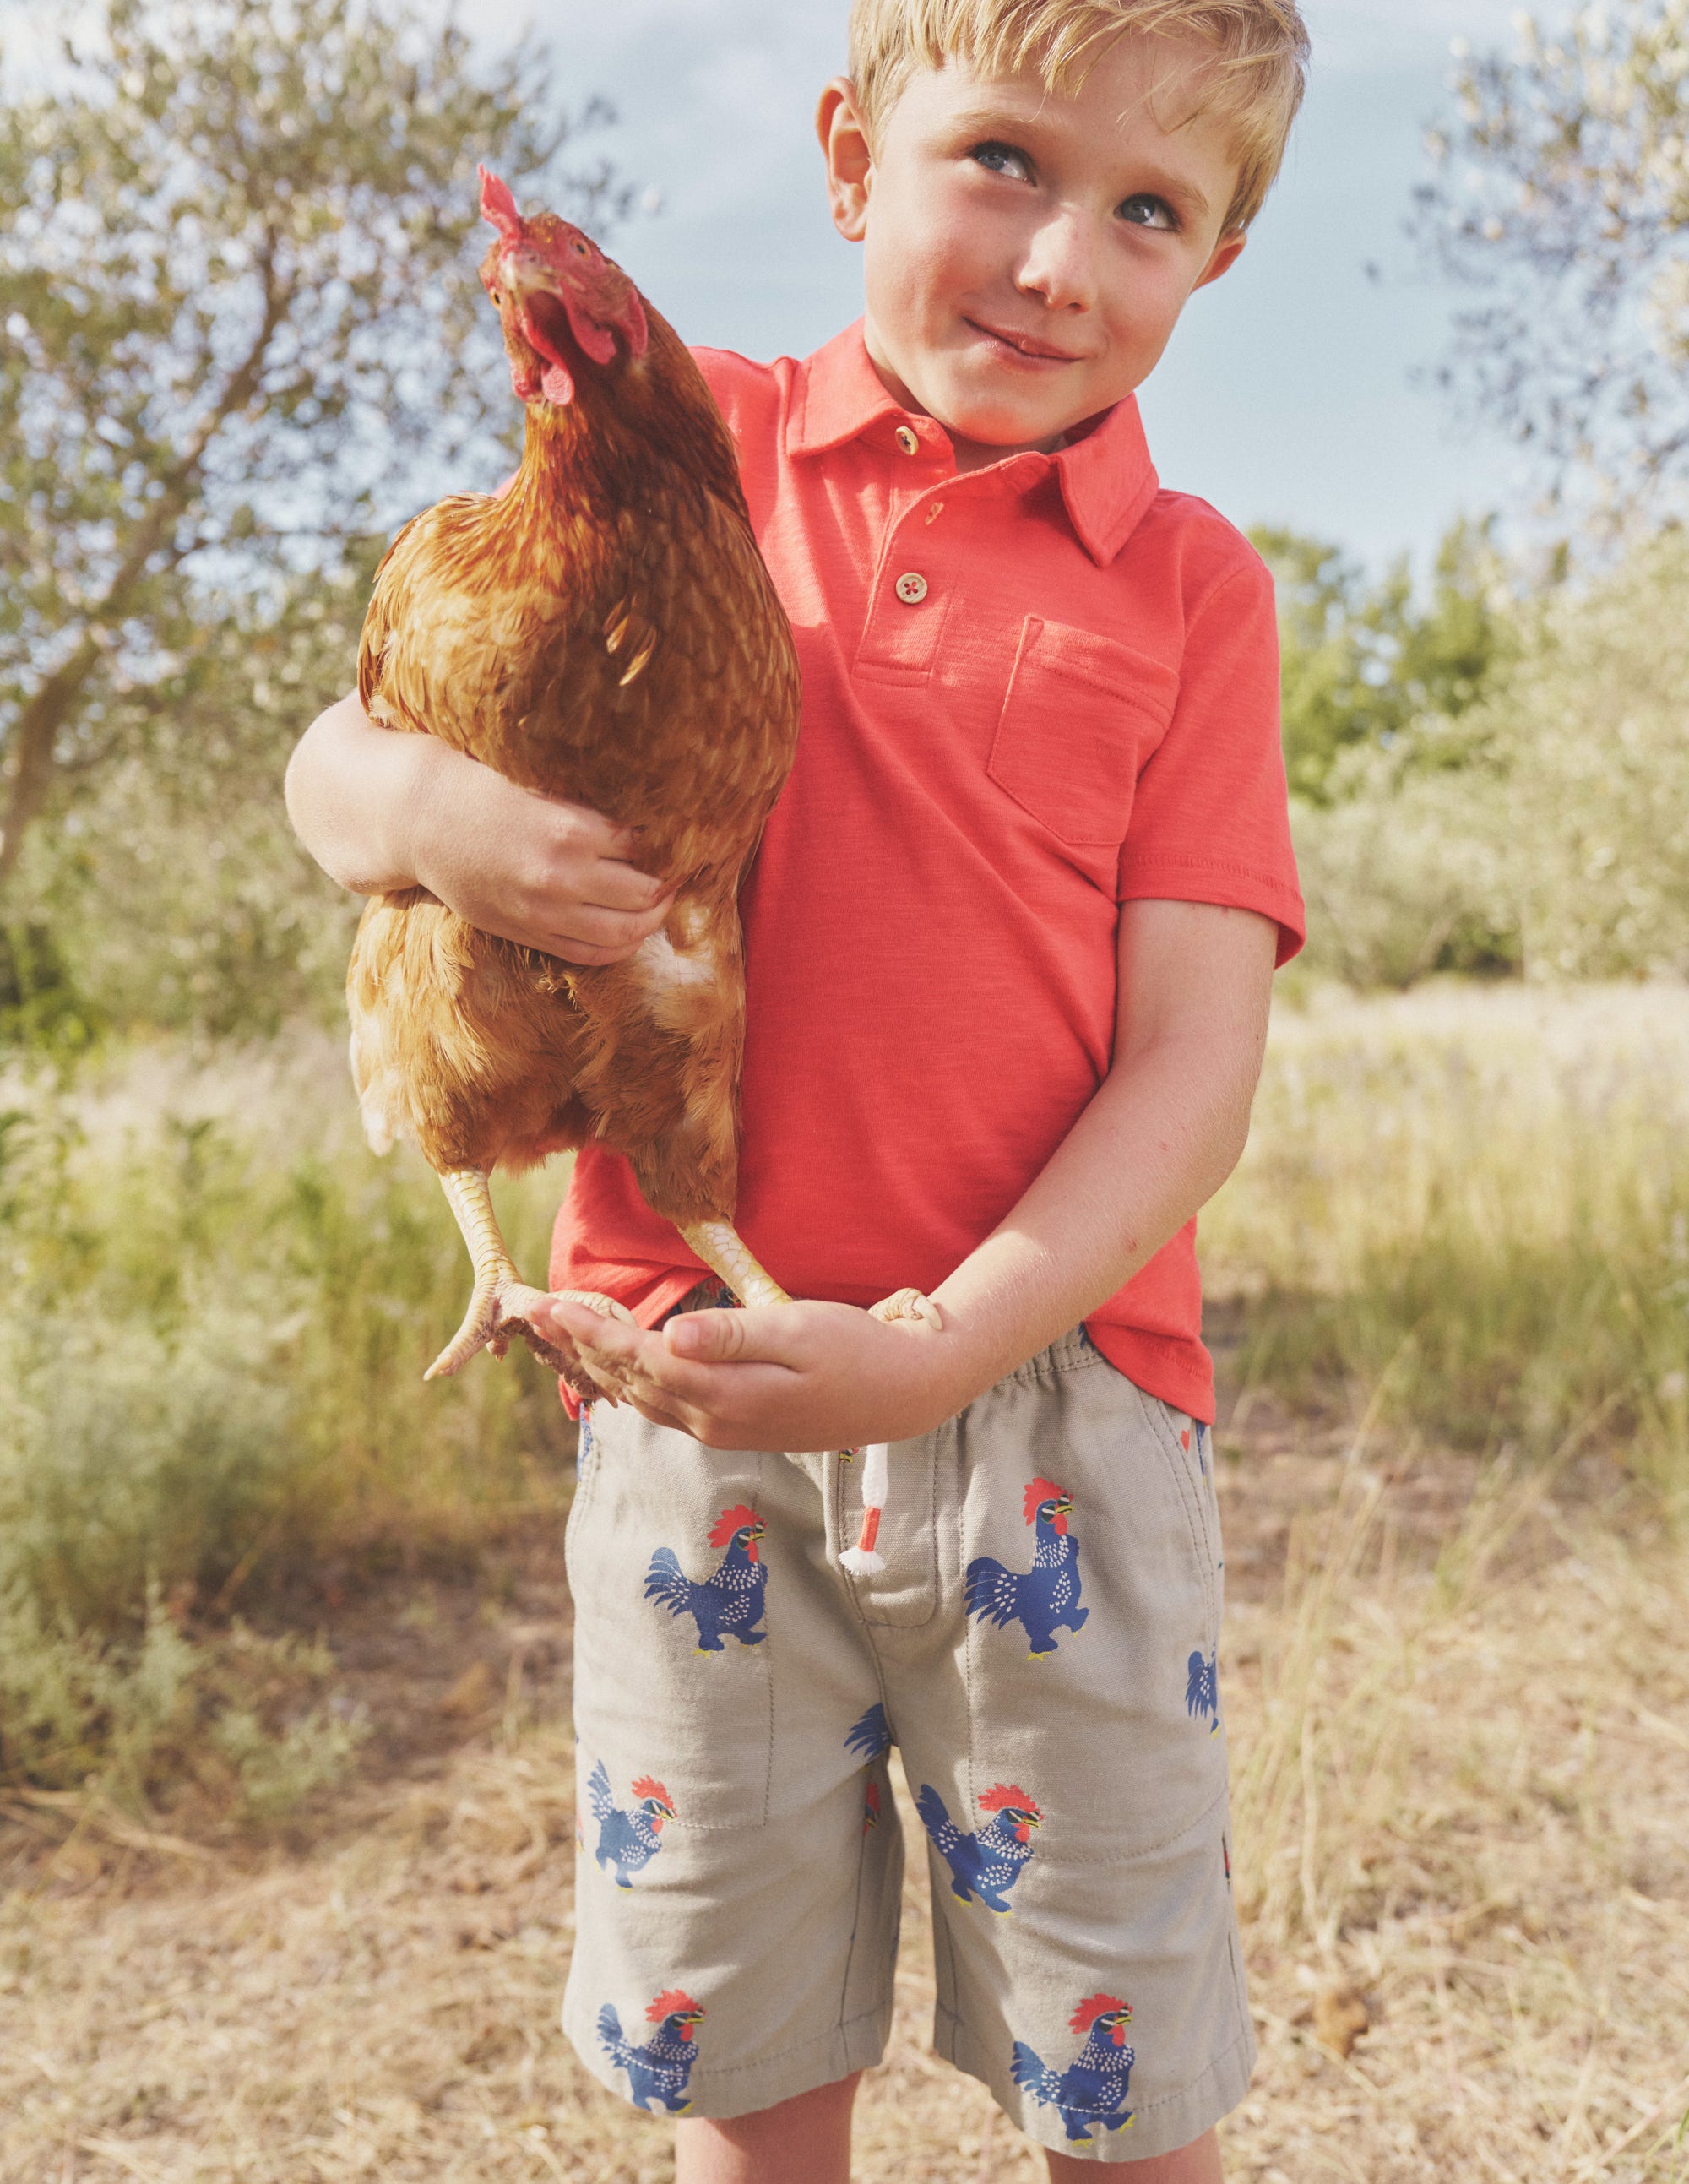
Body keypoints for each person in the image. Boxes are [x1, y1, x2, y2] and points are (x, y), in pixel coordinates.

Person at [285, 1, 1310, 2175]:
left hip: (1055, 1397)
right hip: (695, 1380)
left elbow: (1195, 1064)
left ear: (1214, 263)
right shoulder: (690, 446)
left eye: (1147, 210)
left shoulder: (1195, 589)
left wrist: (940, 1344)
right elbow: (333, 768)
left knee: (1114, 2072)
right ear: (850, 161)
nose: (1058, 261)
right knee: (740, 2053)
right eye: (1004, 164)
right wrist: (434, 819)